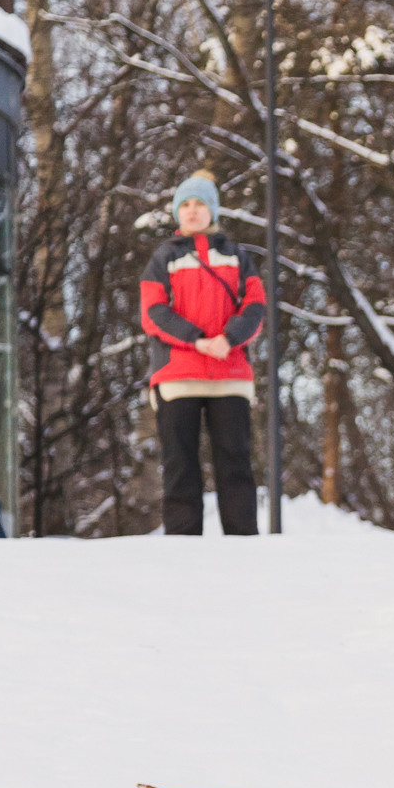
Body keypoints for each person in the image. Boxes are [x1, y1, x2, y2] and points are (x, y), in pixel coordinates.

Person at [140, 171, 266, 536]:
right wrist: (197, 340)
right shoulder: (163, 258)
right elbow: (153, 312)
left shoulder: (238, 256)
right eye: (185, 204)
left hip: (229, 377)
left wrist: (229, 338)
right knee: (180, 466)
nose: (192, 211)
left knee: (236, 465)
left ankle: (243, 546)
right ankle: (183, 547)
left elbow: (255, 306)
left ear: (213, 210)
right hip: (178, 375)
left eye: (199, 204)